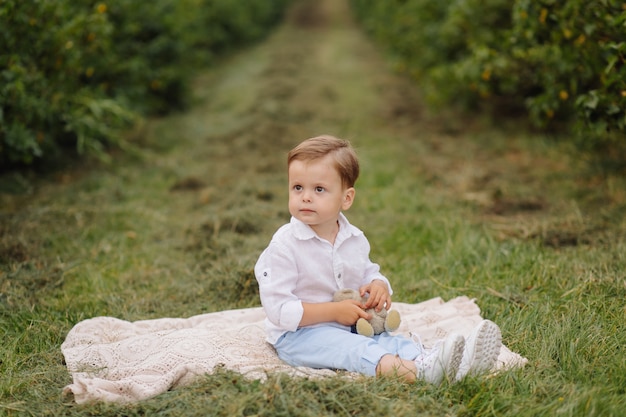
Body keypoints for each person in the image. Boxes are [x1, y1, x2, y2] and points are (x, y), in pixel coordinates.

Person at [254, 135, 502, 384]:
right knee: (358, 350)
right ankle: (420, 374)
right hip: (299, 336)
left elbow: (367, 271)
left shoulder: (354, 238)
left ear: (346, 198)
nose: (305, 197)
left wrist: (378, 285)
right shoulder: (284, 245)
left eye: (318, 189)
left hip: (351, 326)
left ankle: (444, 362)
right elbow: (279, 310)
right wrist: (334, 312)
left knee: (390, 341)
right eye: (298, 187)